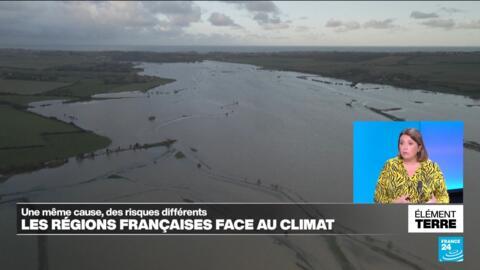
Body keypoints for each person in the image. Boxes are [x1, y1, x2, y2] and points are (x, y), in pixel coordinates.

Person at [374, 128, 449, 204]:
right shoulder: (390, 165)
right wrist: (395, 202)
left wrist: (436, 203)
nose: (405, 147)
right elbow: (378, 198)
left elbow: (444, 197)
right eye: (401, 143)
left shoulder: (432, 167)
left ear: (419, 148)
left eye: (410, 143)